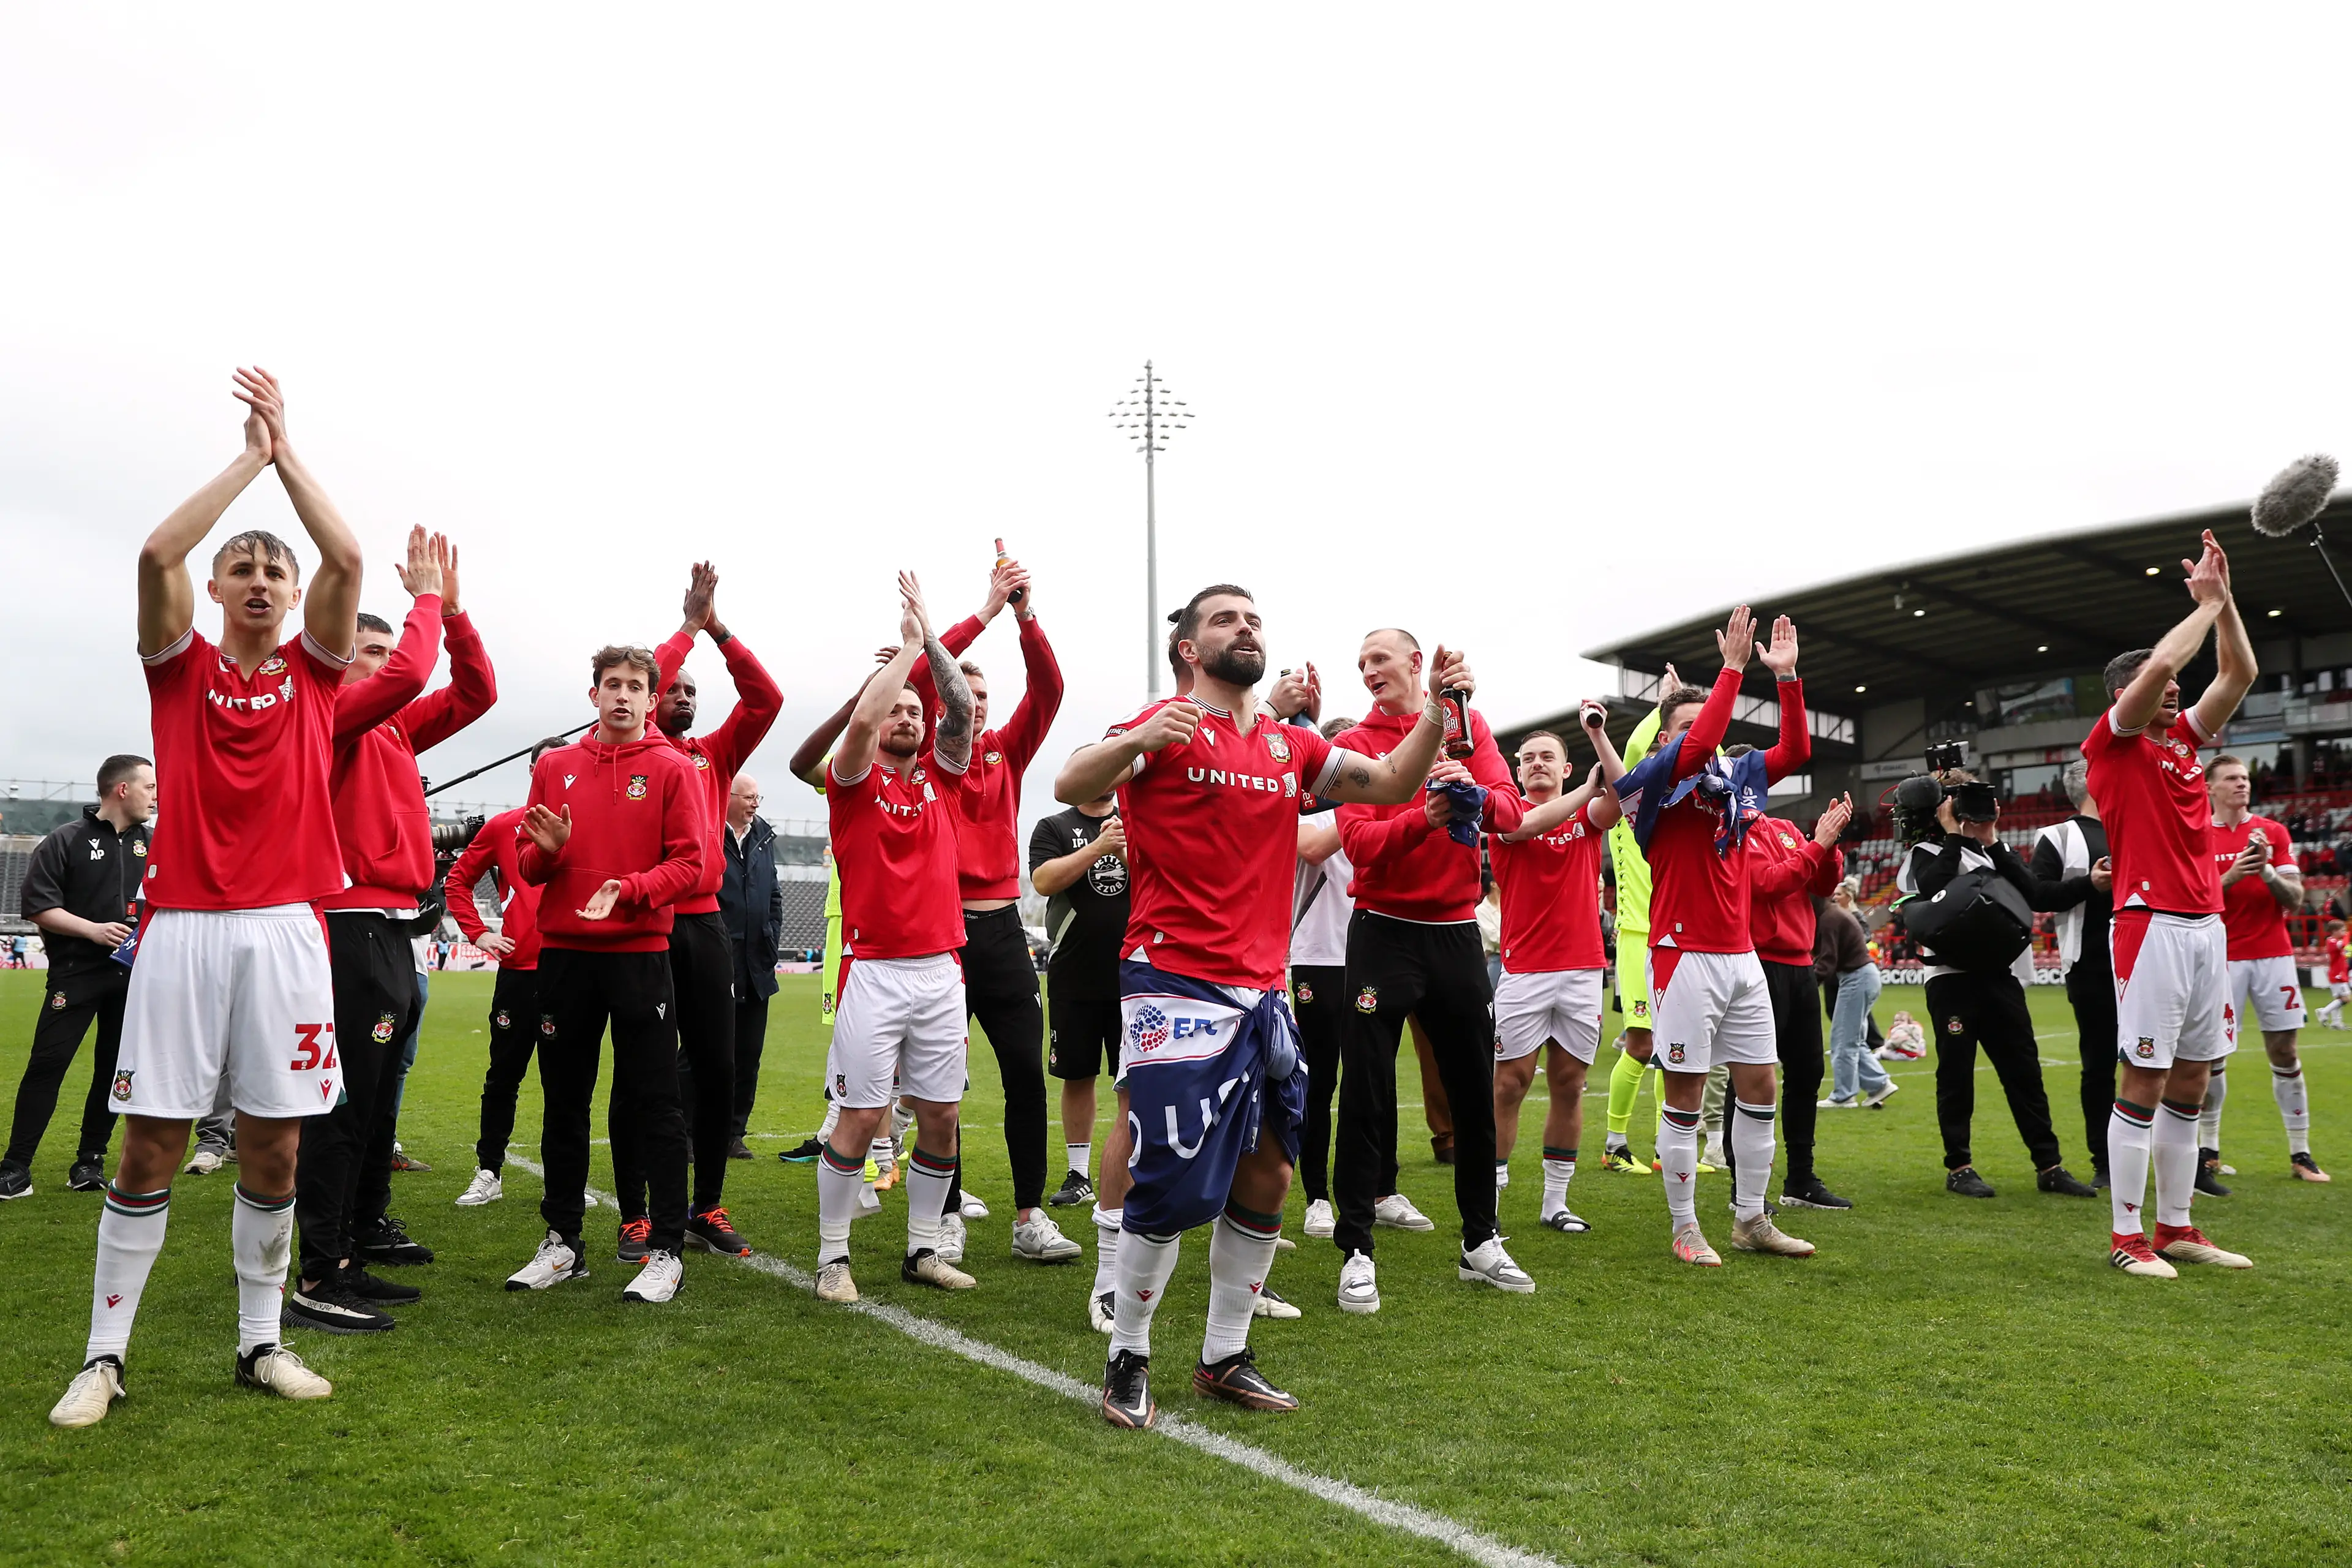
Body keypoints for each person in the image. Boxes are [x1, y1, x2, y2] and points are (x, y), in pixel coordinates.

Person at [1055, 584, 1450, 1427]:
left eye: (1254, 618)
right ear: (1192, 649)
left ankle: (1224, 1356)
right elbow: (1069, 777)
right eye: (1226, 620)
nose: (1246, 628)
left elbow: (1387, 784)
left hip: (1264, 988)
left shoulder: (1290, 744)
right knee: (1167, 1176)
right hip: (1171, 978)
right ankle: (1128, 1352)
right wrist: (1134, 738)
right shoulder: (1164, 721)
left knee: (1272, 1166)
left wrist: (1439, 719)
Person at [51, 368, 360, 1429]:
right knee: (152, 1142)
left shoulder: (318, 673)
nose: (267, 577)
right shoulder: (179, 669)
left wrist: (290, 455)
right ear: (220, 592)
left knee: (277, 1145)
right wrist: (247, 463)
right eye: (245, 567)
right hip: (181, 926)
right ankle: (103, 1358)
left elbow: (350, 560)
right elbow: (153, 554)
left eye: (277, 565)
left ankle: (260, 1344)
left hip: (284, 931)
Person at [288, 527, 496, 1335]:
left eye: (385, 651)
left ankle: (349, 1248)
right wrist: (426, 599)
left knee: (374, 1105)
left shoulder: (394, 731)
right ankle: (319, 1270)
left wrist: (460, 612)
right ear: (342, 662)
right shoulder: (332, 714)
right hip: (345, 923)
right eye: (365, 651)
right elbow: (416, 669)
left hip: (389, 927)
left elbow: (475, 692)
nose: (383, 664)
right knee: (343, 1108)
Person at [1329, 627, 1535, 1313]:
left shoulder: (1468, 724)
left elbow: (1510, 813)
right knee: (1364, 1094)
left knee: (1475, 1094)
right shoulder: (1356, 745)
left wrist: (1472, 784)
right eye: (1361, 664)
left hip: (1454, 937)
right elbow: (1360, 844)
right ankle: (1357, 1248)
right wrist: (1428, 815)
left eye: (1379, 660)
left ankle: (1482, 1240)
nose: (1368, 672)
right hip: (1382, 934)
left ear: (1417, 665)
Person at [1609, 607, 1814, 1265]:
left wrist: (1786, 679)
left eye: (1710, 723)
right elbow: (1697, 748)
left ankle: (1750, 1218)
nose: (1704, 734)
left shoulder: (1738, 775)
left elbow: (1797, 753)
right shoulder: (1653, 781)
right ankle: (1684, 1225)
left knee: (1761, 1086)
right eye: (1685, 724)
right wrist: (1730, 669)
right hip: (1682, 955)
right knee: (1686, 1096)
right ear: (1664, 739)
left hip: (1740, 956)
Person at [502, 644, 705, 1305]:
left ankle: (666, 1248)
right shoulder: (555, 766)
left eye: (635, 687)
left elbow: (691, 865)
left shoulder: (674, 769)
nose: (622, 695)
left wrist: (631, 887)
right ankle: (563, 1242)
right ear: (594, 696)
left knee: (656, 1104)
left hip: (640, 956)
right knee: (563, 1100)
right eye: (611, 684)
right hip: (563, 956)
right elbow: (528, 868)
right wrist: (550, 854)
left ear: (652, 699)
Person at [2084, 529, 2258, 1278]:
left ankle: (2177, 1225)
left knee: (2194, 1079)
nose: (2179, 693)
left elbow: (2240, 670)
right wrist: (2202, 605)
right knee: (2145, 1080)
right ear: (2127, 697)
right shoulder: (2113, 744)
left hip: (2205, 926)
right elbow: (2161, 663)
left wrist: (2226, 608)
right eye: (2165, 691)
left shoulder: (2184, 743)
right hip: (2149, 925)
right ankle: (2126, 1240)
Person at [809, 573, 982, 1304]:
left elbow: (963, 708)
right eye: (898, 709)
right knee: (859, 1118)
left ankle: (920, 1250)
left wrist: (931, 643)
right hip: (876, 972)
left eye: (917, 707)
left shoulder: (941, 781)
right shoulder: (850, 784)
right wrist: (903, 652)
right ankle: (832, 1259)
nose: (908, 716)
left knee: (941, 1116)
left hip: (942, 971)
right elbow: (855, 729)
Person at [605, 563, 780, 1264]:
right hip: (645, 924)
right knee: (640, 1073)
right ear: (650, 699)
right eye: (668, 688)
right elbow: (642, 674)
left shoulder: (713, 756)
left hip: (703, 926)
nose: (681, 695)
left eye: (689, 689)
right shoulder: (633, 752)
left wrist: (719, 631)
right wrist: (683, 629)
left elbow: (765, 698)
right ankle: (635, 1215)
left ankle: (706, 1204)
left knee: (717, 1068)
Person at [903, 551, 1076, 1264]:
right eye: (959, 694)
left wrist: (1024, 613)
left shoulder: (1008, 751)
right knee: (941, 1087)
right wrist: (979, 611)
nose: (970, 704)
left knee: (1022, 1075)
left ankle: (1029, 1215)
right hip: (942, 935)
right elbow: (919, 677)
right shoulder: (933, 762)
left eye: (979, 695)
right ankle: (945, 1214)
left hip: (1004, 932)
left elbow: (1051, 686)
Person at [1898, 772, 2096, 1202]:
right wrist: (1953, 834)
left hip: (2000, 976)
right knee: (1956, 1074)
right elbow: (1933, 888)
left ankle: (2050, 1165)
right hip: (1951, 979)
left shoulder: (1992, 854)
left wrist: (1991, 838)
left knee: (2025, 1072)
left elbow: (2035, 891)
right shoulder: (1924, 852)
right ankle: (1959, 1166)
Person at [1487, 717, 1626, 1235]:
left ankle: (1555, 1203)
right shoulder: (1505, 812)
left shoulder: (1589, 816)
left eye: (1547, 757)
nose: (1536, 764)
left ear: (1567, 769)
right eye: (1527, 759)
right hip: (1525, 969)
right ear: (1518, 771)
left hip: (1583, 969)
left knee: (1570, 1084)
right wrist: (1585, 790)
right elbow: (1524, 828)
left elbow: (1622, 792)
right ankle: (1491, 1205)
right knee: (1509, 1086)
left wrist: (1597, 736)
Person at [1, 755, 156, 1200]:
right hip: (76, 974)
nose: (155, 796)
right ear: (121, 790)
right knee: (47, 1064)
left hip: (133, 978)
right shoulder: (64, 840)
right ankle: (15, 1167)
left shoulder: (158, 844)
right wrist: (93, 930)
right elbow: (38, 906)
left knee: (113, 1069)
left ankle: (90, 1161)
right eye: (149, 786)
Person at [443, 737, 567, 1207]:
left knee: (567, 1084)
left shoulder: (588, 825)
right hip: (519, 972)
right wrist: (479, 934)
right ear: (533, 772)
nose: (550, 775)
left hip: (571, 970)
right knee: (504, 1076)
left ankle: (565, 1180)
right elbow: (457, 881)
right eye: (541, 767)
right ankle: (489, 1171)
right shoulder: (503, 827)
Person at [2205, 755, 2328, 1183]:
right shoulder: (2199, 833)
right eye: (2231, 779)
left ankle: (2301, 1153)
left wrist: (2269, 871)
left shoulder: (2273, 832)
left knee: (2286, 1051)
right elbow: (2193, 896)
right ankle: (2208, 1152)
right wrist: (2234, 875)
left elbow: (2294, 899)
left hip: (2274, 956)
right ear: (2210, 788)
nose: (2241, 785)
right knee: (2212, 1056)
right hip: (2221, 958)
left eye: (2244, 778)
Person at [1744, 786, 1855, 1209]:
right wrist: (1816, 844)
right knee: (1753, 1078)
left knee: (1807, 1074)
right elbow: (1768, 884)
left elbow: (1823, 887)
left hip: (1800, 964)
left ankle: (1801, 1179)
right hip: (1759, 962)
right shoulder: (1732, 831)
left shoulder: (1787, 829)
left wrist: (1829, 845)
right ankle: (1744, 1187)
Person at [1028, 781, 1129, 1212]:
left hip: (1137, 973)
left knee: (1137, 1079)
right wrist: (1099, 847)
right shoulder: (1054, 826)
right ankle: (1079, 1173)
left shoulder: (1139, 820)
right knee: (1077, 1073)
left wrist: (1125, 851)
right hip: (1075, 973)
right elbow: (1044, 881)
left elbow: (1167, 880)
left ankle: (1136, 1171)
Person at [2027, 758, 2119, 1187]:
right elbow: (2039, 894)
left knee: (2163, 1063)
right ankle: (2105, 1161)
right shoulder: (2058, 836)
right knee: (2099, 1066)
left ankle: (2189, 1162)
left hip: (2149, 958)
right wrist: (2089, 884)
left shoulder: (2134, 823)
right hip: (2092, 966)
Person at [1291, 716, 1358, 1245]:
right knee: (1319, 1082)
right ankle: (1316, 1197)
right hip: (1314, 959)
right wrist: (1374, 801)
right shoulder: (1299, 806)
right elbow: (1314, 849)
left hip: (1370, 955)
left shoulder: (1373, 808)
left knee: (1372, 1081)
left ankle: (1380, 1190)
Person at [720, 773, 785, 1159]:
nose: (755, 804)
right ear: (727, 797)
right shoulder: (711, 830)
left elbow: (773, 893)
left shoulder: (763, 838)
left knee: (748, 1054)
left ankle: (733, 1134)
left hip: (757, 963)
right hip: (719, 959)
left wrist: (771, 935)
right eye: (748, 797)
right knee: (701, 1054)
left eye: (758, 797)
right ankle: (691, 1133)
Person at [1814, 878, 1894, 1113]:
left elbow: (1827, 962)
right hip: (1863, 976)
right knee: (1852, 1039)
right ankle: (1879, 1084)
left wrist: (1807, 983)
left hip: (1856, 978)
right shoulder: (1834, 916)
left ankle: (1844, 1095)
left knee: (1842, 1040)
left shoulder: (1829, 919)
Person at [2316, 920, 2349, 1028]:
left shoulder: (2334, 940)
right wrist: (2349, 935)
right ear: (2335, 931)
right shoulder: (2332, 941)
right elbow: (2343, 945)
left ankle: (2336, 1023)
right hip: (2337, 975)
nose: (2345, 932)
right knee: (2346, 999)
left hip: (2338, 974)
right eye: (2343, 930)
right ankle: (2324, 1011)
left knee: (2339, 999)